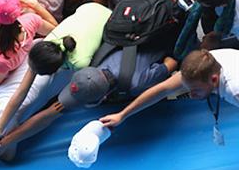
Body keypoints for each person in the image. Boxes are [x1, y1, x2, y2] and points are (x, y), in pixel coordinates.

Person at [0, 2, 112, 144]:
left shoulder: (80, 63)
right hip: (88, 7)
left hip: (109, 21)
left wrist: (7, 142)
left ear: (54, 70)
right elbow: (21, 91)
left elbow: (55, 109)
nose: (30, 72)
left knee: (61, 103)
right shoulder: (46, 43)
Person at [0, 50, 177, 149]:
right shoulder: (95, 59)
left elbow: (172, 62)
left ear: (102, 99)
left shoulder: (137, 82)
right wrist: (5, 142)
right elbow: (54, 110)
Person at [100, 49, 239, 129]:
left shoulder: (234, 90)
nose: (191, 95)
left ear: (214, 79)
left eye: (195, 90)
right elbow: (163, 89)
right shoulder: (203, 65)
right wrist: (122, 115)